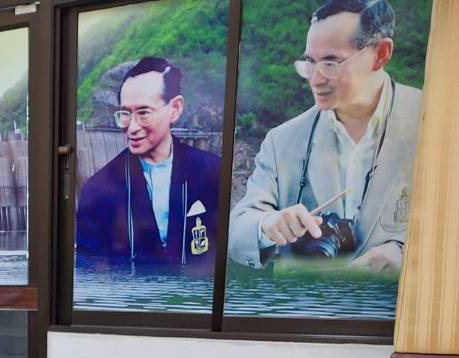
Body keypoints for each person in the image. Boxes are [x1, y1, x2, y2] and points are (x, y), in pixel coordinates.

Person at [228, 0, 421, 274]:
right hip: (306, 312)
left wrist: (407, 257)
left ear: (381, 54)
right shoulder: (281, 141)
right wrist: (268, 225)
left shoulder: (433, 122)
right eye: (309, 62)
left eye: (331, 62)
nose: (315, 79)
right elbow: (236, 231)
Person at [75, 58, 221, 274]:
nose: (132, 127)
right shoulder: (97, 191)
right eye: (125, 114)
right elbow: (90, 275)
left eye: (143, 113)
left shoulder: (213, 172)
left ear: (175, 108)